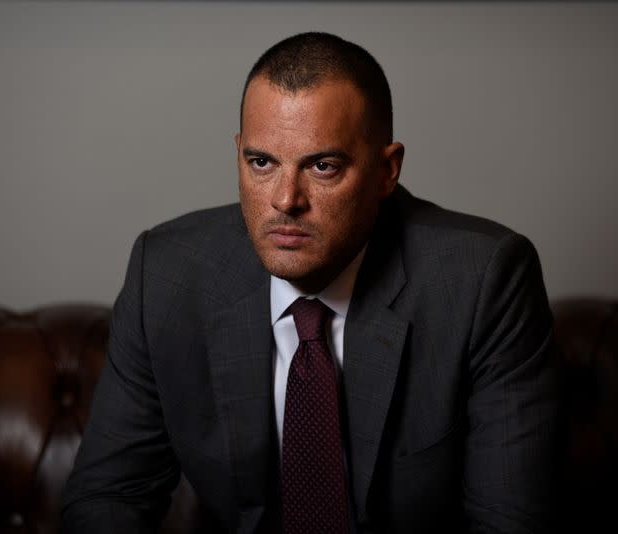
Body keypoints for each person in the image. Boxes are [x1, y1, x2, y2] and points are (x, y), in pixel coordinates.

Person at [61, 32, 557, 533]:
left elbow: (509, 521)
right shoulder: (166, 275)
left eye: (322, 166)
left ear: (386, 171)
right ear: (238, 153)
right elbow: (108, 498)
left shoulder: (482, 280)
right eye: (261, 163)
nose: (284, 200)